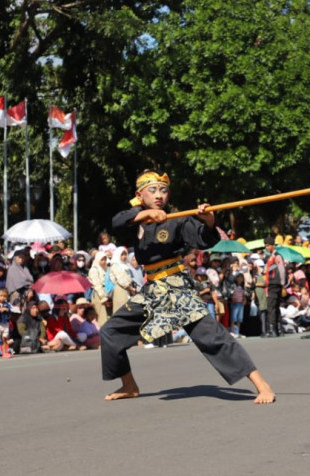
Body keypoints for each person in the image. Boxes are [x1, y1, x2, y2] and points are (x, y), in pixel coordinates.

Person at [100, 170, 274, 403]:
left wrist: (209, 219)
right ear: (139, 195)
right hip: (152, 289)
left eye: (163, 190)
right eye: (152, 191)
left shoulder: (178, 218)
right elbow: (117, 221)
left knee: (211, 336)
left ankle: (262, 385)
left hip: (176, 286)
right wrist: (148, 214)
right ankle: (129, 386)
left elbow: (204, 238)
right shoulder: (135, 218)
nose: (159, 195)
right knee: (111, 332)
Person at [264, 235, 286, 337]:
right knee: (275, 307)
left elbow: (281, 270)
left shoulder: (277, 256)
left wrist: (282, 284)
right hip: (272, 284)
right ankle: (278, 329)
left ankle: (272, 330)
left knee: (271, 307)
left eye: (268, 245)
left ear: (273, 245)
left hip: (274, 284)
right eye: (265, 245)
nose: (266, 247)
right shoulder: (271, 257)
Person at [88, 252, 111, 328]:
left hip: (107, 295)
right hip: (99, 296)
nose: (104, 262)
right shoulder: (94, 270)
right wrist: (104, 298)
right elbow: (97, 285)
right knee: (101, 317)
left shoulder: (105, 269)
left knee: (108, 317)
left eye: (105, 259)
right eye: (102, 260)